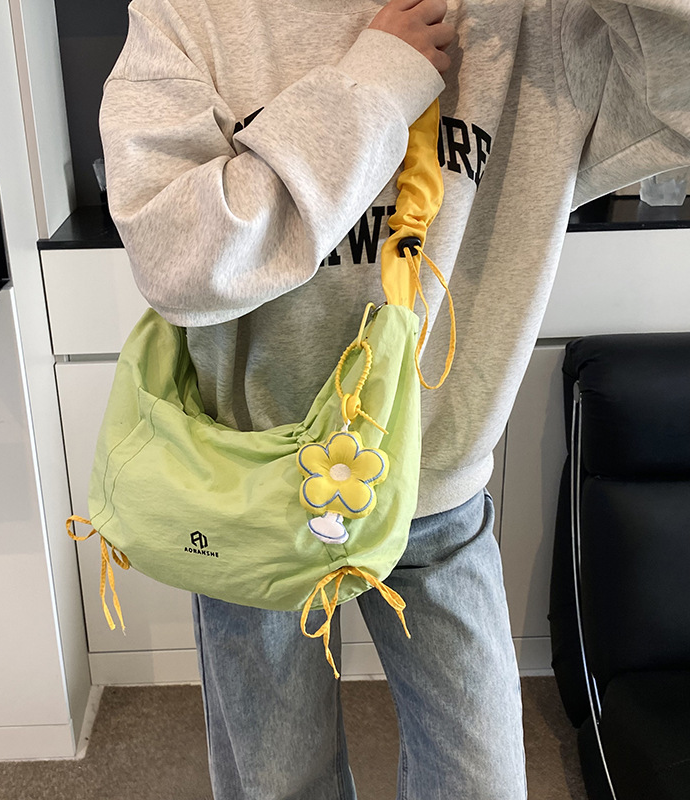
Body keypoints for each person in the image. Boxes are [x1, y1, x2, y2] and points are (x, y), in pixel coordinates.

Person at [99, 0, 690, 796]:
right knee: (279, 783)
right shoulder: (190, 16)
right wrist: (374, 84)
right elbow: (177, 262)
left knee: (479, 780)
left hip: (436, 490)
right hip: (249, 487)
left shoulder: (533, 21)